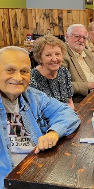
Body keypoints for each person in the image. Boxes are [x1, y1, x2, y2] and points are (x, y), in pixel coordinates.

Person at [0, 46, 81, 189]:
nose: (18, 78)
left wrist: (54, 133)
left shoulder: (32, 96)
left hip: (37, 171)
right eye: (10, 70)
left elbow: (68, 113)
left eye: (24, 71)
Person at [62, 24, 94, 101]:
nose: (81, 40)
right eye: (77, 36)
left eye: (84, 38)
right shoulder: (61, 55)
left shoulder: (86, 52)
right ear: (67, 37)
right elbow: (62, 86)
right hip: (80, 100)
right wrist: (92, 84)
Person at [29, 35, 74, 109]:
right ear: (39, 58)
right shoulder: (32, 79)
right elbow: (36, 112)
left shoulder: (64, 72)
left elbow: (69, 102)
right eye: (48, 55)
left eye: (57, 54)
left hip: (66, 115)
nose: (54, 59)